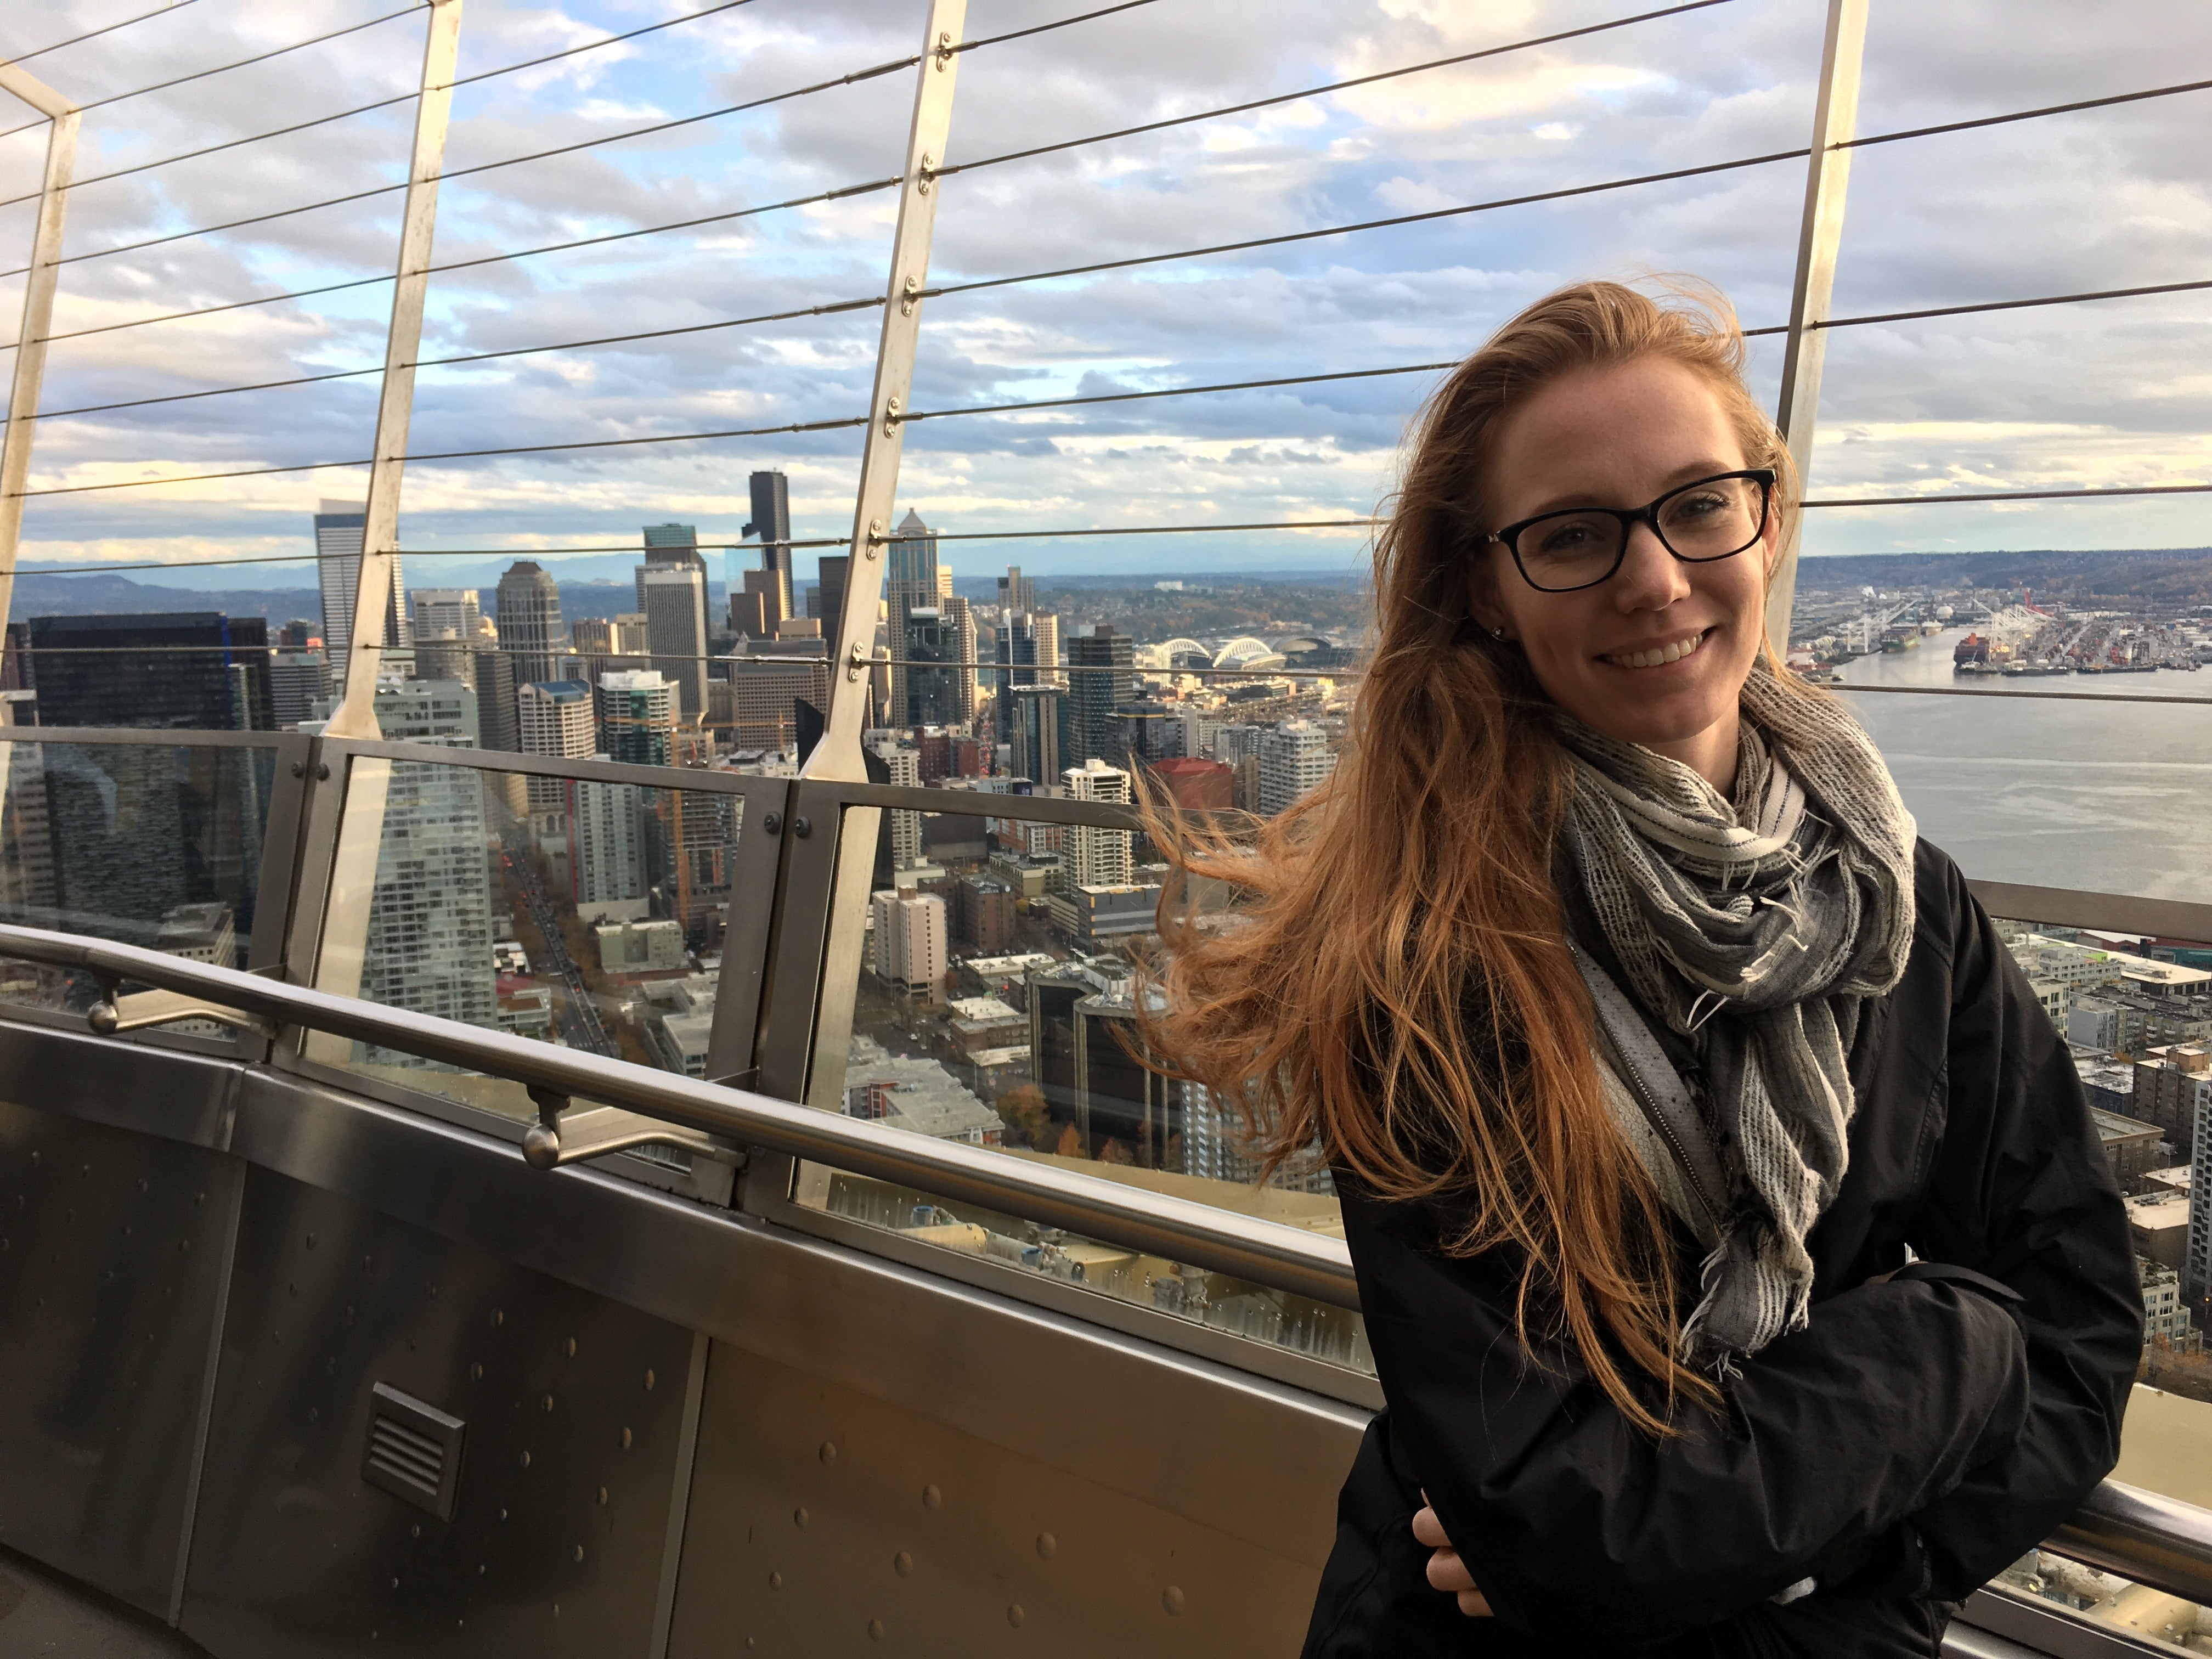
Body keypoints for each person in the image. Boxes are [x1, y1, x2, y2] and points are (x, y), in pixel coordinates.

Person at [1138, 280, 2140, 1657]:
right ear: (1487, 589)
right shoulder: (1422, 952)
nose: (1655, 578)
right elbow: (1564, 1514)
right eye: (1572, 535)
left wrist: (1820, 1579)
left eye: (1697, 505)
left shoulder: (1898, 900)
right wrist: (1950, 1344)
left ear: (1768, 521)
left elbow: (2082, 1336)